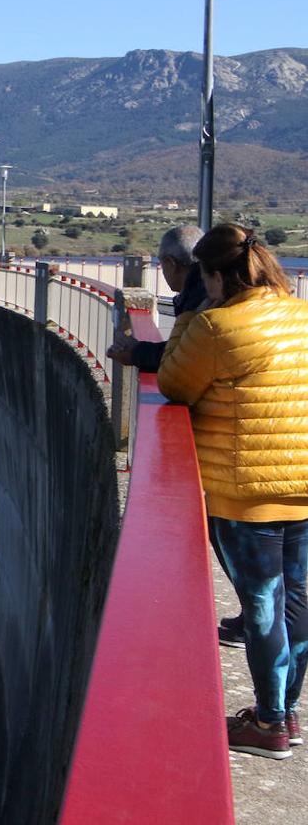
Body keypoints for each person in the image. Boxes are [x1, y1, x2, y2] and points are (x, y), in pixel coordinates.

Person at [158, 224, 308, 760]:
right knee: (295, 601)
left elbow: (175, 383)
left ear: (216, 274)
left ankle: (270, 725)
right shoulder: (301, 314)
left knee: (262, 607)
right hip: (303, 485)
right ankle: (284, 712)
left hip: (246, 493)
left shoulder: (215, 326)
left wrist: (186, 316)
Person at [107, 226, 247, 647]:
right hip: (285, 458)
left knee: (247, 561)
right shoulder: (282, 314)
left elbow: (179, 369)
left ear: (171, 264)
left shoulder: (205, 310)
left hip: (235, 457)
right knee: (284, 575)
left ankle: (274, 706)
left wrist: (136, 354)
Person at [107, 225, 204, 372]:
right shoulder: (206, 287)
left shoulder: (201, 299)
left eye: (162, 263)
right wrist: (139, 349)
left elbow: (186, 356)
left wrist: (135, 354)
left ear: (171, 263)